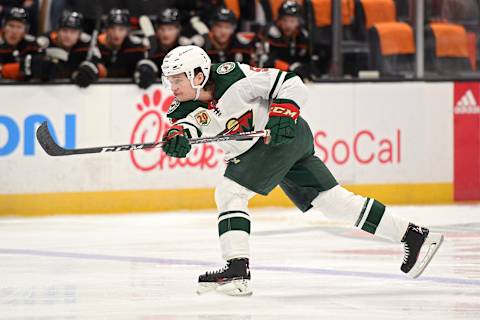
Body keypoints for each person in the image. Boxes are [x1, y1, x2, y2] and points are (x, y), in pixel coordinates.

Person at [160, 45, 444, 296]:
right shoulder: (181, 108)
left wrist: (283, 112)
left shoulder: (235, 76)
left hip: (281, 138)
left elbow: (291, 83)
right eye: (169, 80)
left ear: (199, 75)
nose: (172, 87)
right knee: (334, 203)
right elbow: (187, 126)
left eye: (178, 80)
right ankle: (413, 234)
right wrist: (178, 137)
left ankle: (237, 268)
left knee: (231, 192)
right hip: (277, 147)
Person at [37, 10, 105, 87]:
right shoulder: (46, 42)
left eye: (73, 32)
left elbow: (101, 67)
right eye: (64, 31)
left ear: (79, 34)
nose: (68, 36)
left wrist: (91, 68)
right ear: (57, 31)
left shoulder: (87, 44)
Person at [98, 8, 157, 89]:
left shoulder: (137, 49)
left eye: (121, 29)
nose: (116, 33)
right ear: (106, 30)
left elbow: (144, 65)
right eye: (112, 28)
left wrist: (146, 69)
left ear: (128, 30)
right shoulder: (96, 47)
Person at [260, 0, 310, 79]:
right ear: (279, 20)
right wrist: (289, 68)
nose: (288, 25)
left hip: (292, 80)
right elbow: (265, 61)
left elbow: (308, 61)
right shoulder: (269, 33)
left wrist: (300, 68)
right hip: (270, 78)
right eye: (284, 20)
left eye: (292, 21)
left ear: (299, 22)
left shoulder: (303, 36)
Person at [0, 7, 40, 80]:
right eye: (11, 26)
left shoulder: (32, 45)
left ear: (25, 31)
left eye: (19, 27)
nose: (14, 31)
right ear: (4, 27)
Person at [151, 8, 184, 73]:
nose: (166, 34)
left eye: (170, 29)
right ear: (156, 30)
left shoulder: (184, 50)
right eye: (162, 29)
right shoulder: (149, 50)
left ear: (178, 30)